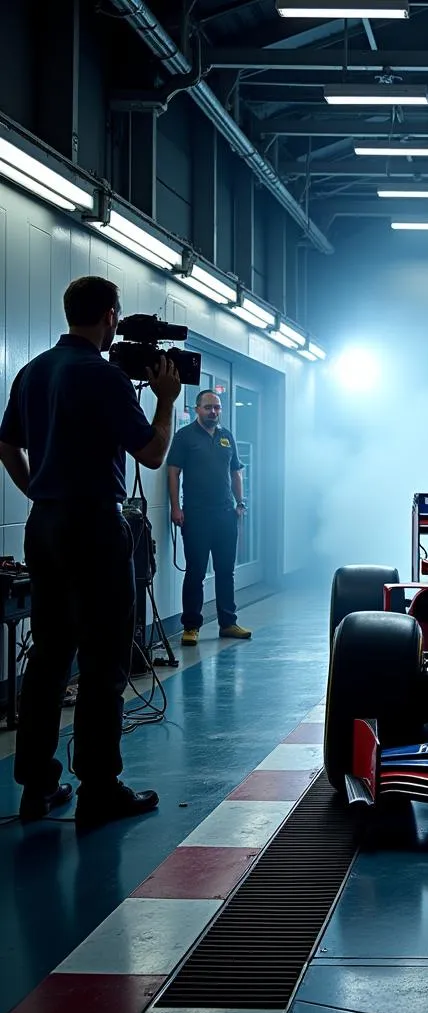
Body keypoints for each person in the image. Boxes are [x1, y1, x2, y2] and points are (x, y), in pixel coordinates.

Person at [0, 276, 180, 824]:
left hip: (45, 525)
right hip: (95, 527)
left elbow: (7, 443)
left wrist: (38, 490)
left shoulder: (33, 371)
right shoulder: (103, 377)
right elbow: (151, 454)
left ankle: (36, 786)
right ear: (108, 315)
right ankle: (100, 789)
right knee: (103, 659)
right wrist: (167, 402)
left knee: (50, 655)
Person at [168, 389, 252, 646]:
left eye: (217, 407)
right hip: (196, 514)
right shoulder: (184, 436)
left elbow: (236, 471)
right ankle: (191, 627)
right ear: (197, 409)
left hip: (225, 513)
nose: (213, 412)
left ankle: (228, 622)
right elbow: (173, 472)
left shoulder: (227, 436)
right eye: (208, 407)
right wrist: (175, 508)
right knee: (195, 572)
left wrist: (240, 503)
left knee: (225, 571)